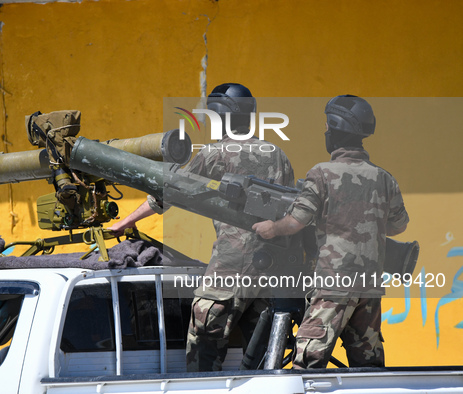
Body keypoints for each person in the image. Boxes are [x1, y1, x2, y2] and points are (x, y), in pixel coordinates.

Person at [109, 83, 295, 371]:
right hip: (272, 264)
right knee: (261, 347)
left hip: (233, 261)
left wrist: (126, 222)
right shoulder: (277, 153)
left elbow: (170, 193)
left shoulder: (216, 153)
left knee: (204, 331)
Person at [252, 95, 409, 369]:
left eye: (327, 126)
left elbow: (295, 222)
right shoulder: (384, 178)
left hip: (334, 284)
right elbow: (399, 225)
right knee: (369, 367)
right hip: (369, 288)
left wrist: (271, 228)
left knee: (307, 363)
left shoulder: (321, 174)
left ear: (335, 130)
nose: (325, 131)